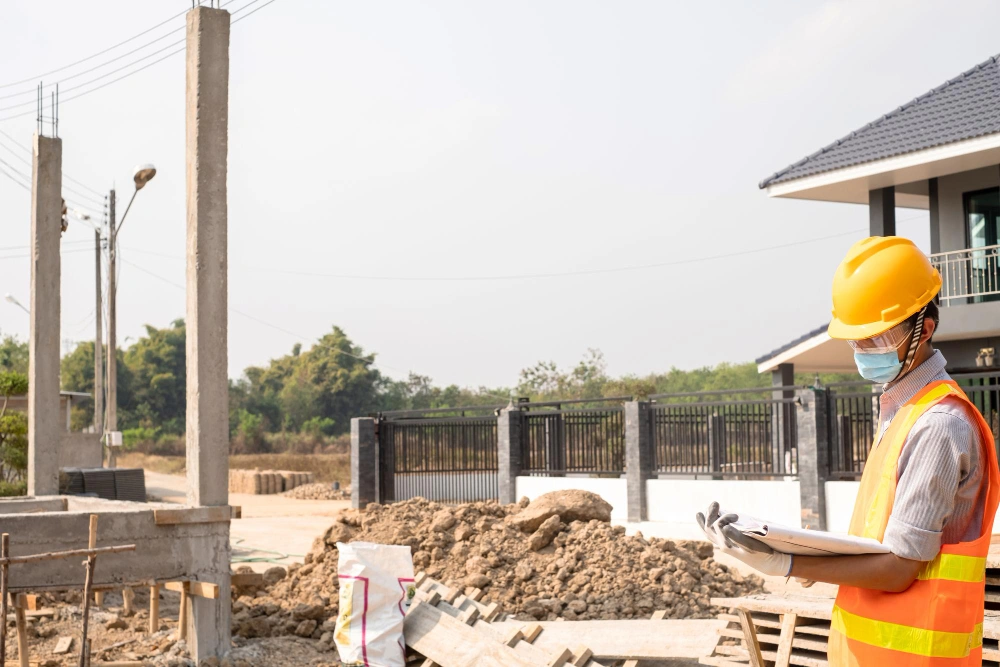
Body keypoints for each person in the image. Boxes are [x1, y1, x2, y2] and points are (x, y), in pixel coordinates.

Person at [696, 236, 999, 666]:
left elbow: (898, 569)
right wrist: (788, 545)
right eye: (856, 340)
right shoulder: (902, 413)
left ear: (924, 329)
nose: (862, 351)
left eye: (875, 339)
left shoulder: (938, 425)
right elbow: (876, 543)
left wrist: (786, 563)